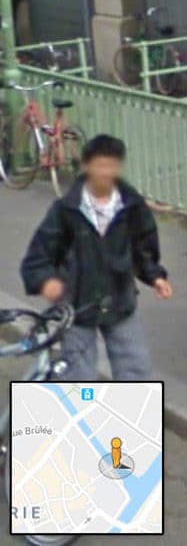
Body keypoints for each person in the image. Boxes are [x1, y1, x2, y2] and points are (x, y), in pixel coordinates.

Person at [19, 136, 171, 381]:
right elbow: (40, 254)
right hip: (77, 302)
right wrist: (45, 281)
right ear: (87, 166)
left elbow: (143, 246)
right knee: (79, 375)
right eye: (101, 165)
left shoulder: (131, 206)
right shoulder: (66, 209)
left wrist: (155, 276)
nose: (106, 173)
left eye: (112, 165)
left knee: (136, 368)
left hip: (119, 298)